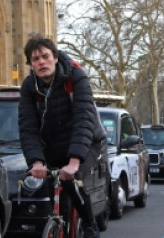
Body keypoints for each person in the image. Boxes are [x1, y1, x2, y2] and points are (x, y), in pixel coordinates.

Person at [18, 35, 105, 238]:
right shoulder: (30, 87)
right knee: (50, 190)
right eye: (35, 59)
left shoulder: (76, 77)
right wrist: (36, 162)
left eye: (45, 56)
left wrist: (75, 161)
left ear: (55, 57)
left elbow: (84, 120)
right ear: (31, 64)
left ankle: (90, 225)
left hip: (87, 142)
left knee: (72, 180)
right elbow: (27, 127)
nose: (41, 62)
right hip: (54, 144)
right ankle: (58, 226)